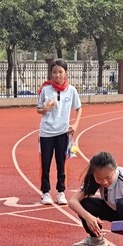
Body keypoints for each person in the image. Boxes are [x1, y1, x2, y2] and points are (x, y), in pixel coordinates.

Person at [36, 59, 82, 206]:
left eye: (60, 72)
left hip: (62, 132)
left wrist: (75, 124)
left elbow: (78, 108)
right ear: (51, 73)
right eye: (54, 72)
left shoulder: (71, 90)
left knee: (61, 164)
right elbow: (38, 109)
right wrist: (46, 108)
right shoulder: (45, 90)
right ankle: (45, 192)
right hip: (46, 133)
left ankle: (61, 192)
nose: (57, 75)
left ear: (66, 73)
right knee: (45, 164)